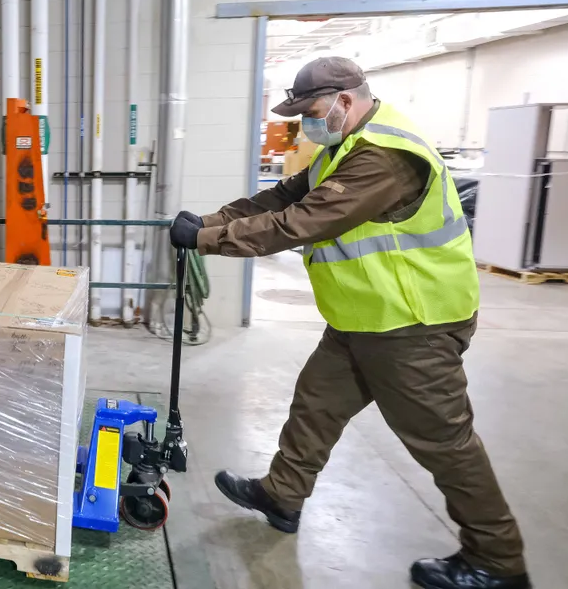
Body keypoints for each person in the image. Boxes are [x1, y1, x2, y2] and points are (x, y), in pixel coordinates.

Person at [169, 57, 528, 589]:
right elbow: (284, 196)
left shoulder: (384, 156)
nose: (306, 126)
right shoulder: (342, 147)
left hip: (414, 326)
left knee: (444, 444)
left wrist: (204, 241)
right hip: (364, 319)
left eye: (312, 112)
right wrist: (210, 220)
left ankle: (498, 562)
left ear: (345, 100)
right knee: (316, 404)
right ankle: (282, 495)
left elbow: (300, 223)